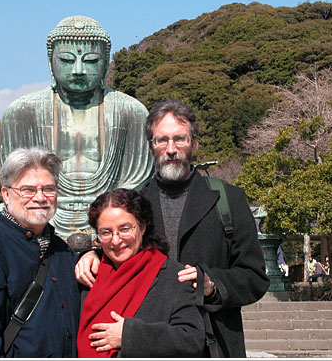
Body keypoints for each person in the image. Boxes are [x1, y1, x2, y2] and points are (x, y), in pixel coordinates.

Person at [76, 100, 269, 357]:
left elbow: (255, 277)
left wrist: (213, 285)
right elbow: (121, 248)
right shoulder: (135, 204)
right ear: (151, 146)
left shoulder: (228, 199)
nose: (171, 149)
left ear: (195, 144)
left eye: (180, 139)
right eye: (161, 140)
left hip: (214, 342)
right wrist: (93, 255)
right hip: (147, 341)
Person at [0, 15, 153, 236]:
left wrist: (104, 211)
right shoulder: (22, 112)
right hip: (42, 208)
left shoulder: (131, 111)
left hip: (111, 215)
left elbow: (137, 179)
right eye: (67, 61)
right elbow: (13, 180)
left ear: (106, 63)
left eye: (90, 61)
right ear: (51, 63)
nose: (78, 70)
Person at [0, 147, 80, 357]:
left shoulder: (63, 251)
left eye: (49, 189)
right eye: (28, 190)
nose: (40, 198)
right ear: (6, 194)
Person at [78, 188, 204, 358]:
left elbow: (192, 339)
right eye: (106, 232)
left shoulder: (173, 276)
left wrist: (131, 335)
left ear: (142, 227)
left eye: (125, 229)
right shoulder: (88, 273)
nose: (116, 240)